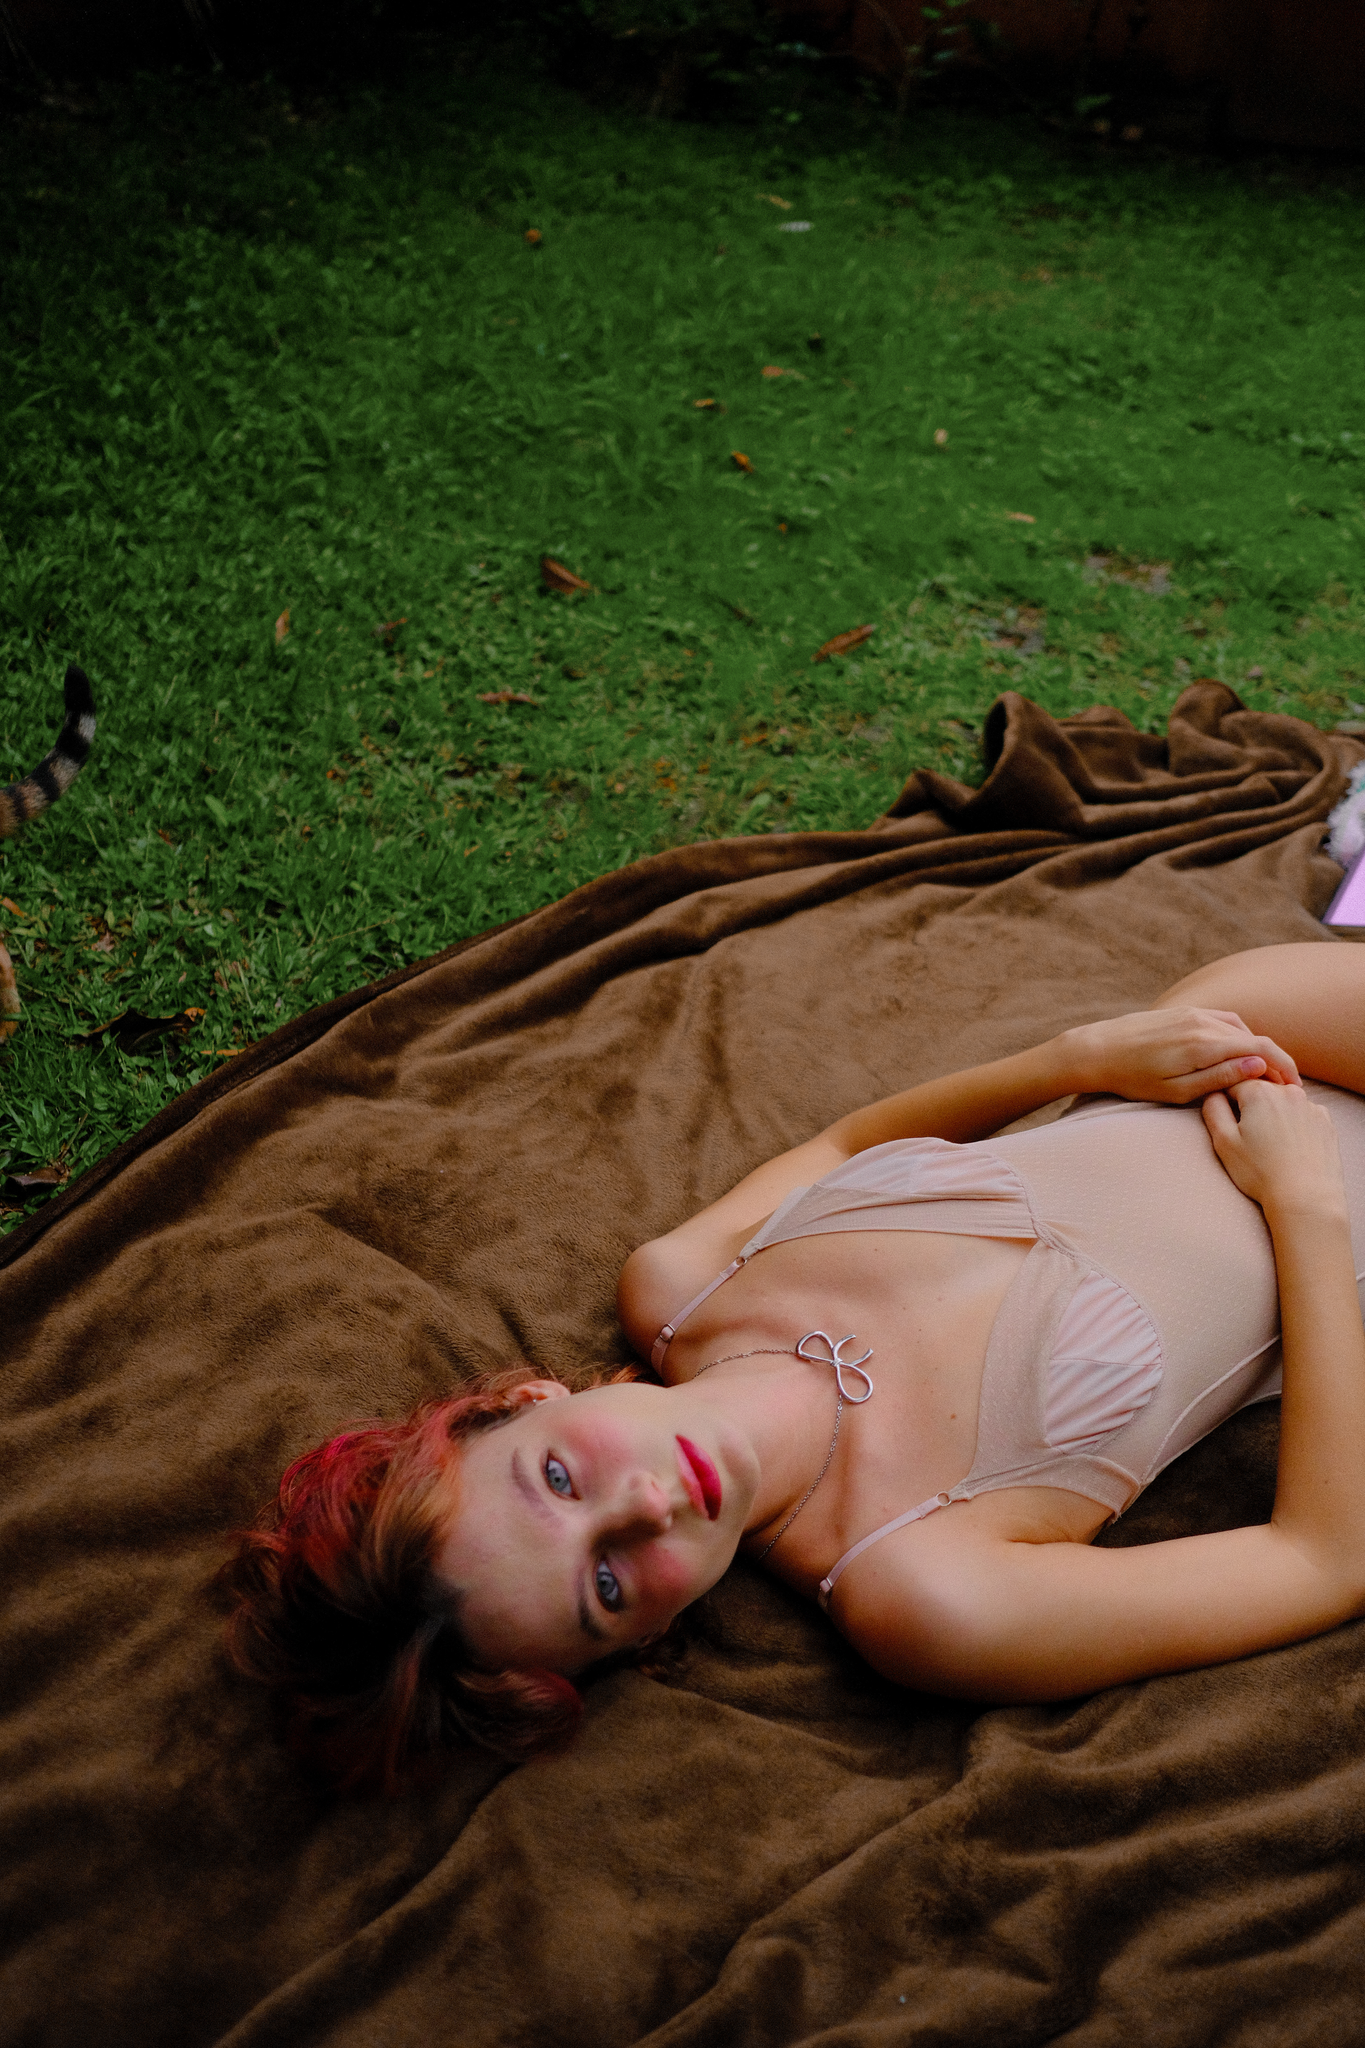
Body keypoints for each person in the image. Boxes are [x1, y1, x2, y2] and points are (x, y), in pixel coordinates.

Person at [223, 943, 1365, 1790]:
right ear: (645, 1640)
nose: (648, 1502)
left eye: (561, 1479)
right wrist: (1303, 1202)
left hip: (1240, 1035)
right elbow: (1319, 1556)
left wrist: (1082, 1055)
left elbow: (839, 1148)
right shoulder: (927, 1592)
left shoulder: (679, 1285)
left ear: (527, 1399)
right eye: (607, 1584)